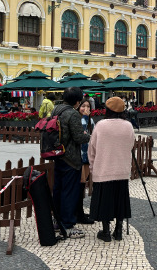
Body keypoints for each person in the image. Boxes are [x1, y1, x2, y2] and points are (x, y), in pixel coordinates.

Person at [88, 97, 135, 242]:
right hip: (121, 170)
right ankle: (119, 230)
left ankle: (106, 232)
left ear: (107, 110)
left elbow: (92, 148)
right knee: (120, 200)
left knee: (105, 201)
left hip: (103, 169)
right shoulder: (128, 126)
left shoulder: (101, 125)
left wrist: (92, 166)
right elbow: (131, 144)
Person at [51, 87, 90, 237]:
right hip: (70, 158)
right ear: (78, 101)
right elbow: (79, 137)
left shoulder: (57, 110)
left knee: (58, 190)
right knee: (69, 192)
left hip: (58, 155)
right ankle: (67, 224)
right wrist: (88, 135)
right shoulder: (72, 114)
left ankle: (57, 220)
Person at [76, 99, 95, 225]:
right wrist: (84, 117)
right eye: (83, 106)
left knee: (82, 186)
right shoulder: (79, 120)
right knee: (79, 185)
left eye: (88, 106)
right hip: (79, 157)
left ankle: (79, 212)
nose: (86, 108)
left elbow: (93, 135)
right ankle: (78, 214)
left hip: (87, 157)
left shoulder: (90, 121)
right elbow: (81, 134)